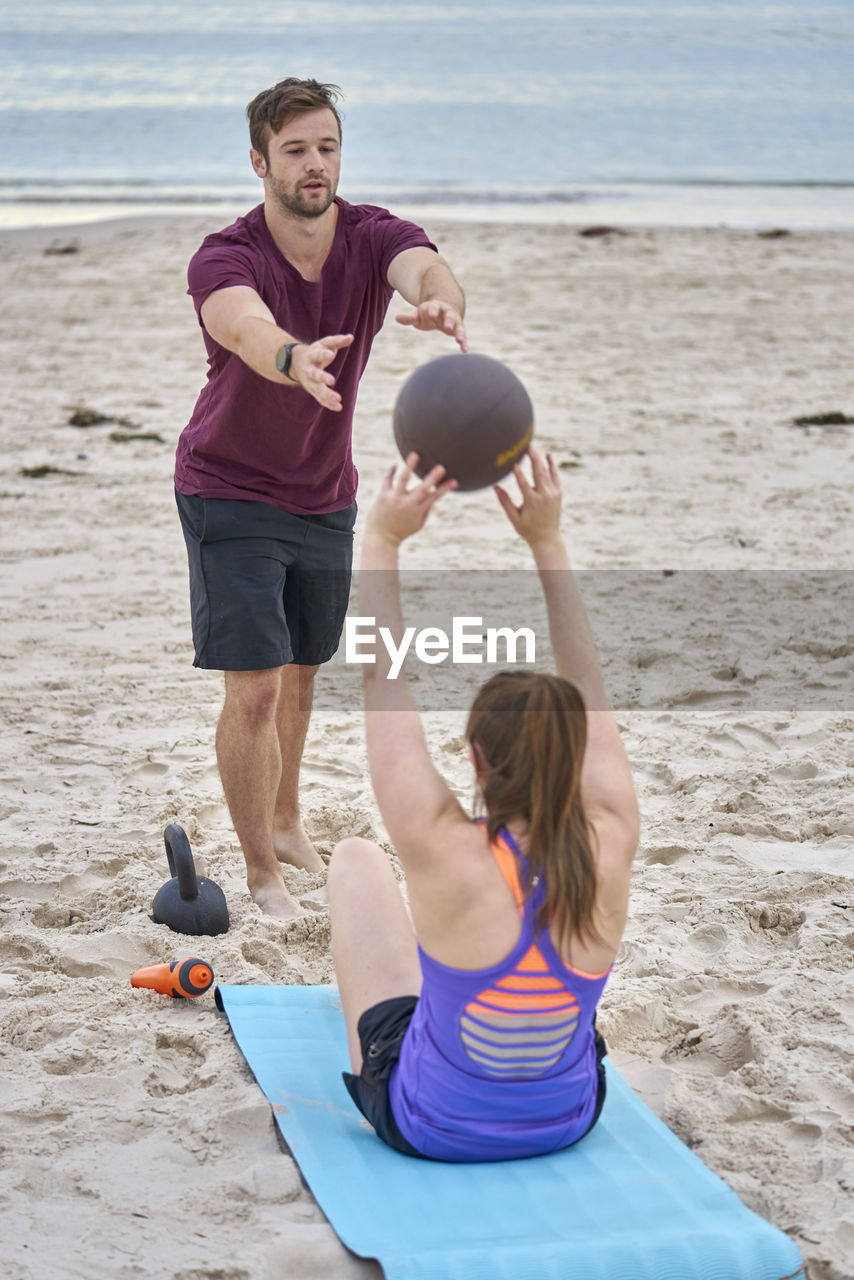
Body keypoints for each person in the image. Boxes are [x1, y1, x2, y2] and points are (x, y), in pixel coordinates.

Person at [174, 79, 467, 920]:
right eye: (296, 149)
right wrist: (290, 356)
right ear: (260, 161)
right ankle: (263, 873)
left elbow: (423, 266)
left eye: (327, 147)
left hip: (323, 495)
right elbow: (239, 322)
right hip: (228, 490)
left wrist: (440, 301)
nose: (315, 164)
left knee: (303, 672)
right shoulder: (227, 253)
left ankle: (288, 820)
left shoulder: (373, 234)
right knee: (257, 688)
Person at [328, 445, 639, 1161]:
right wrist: (547, 541)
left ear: (474, 759)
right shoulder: (611, 837)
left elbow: (384, 676)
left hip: (432, 1127)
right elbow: (589, 687)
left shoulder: (443, 846)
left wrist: (381, 538)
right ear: (574, 759)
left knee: (354, 859)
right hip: (567, 1121)